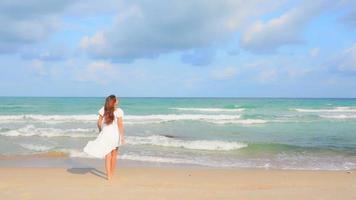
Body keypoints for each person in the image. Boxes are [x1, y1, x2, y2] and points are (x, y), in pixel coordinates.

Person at [83, 95, 125, 180]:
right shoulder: (119, 111)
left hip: (106, 134)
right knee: (114, 155)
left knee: (107, 155)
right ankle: (112, 173)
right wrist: (122, 137)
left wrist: (100, 131)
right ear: (114, 101)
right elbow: (120, 125)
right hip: (115, 135)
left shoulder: (103, 109)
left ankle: (108, 175)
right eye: (117, 99)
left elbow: (98, 123)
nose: (118, 100)